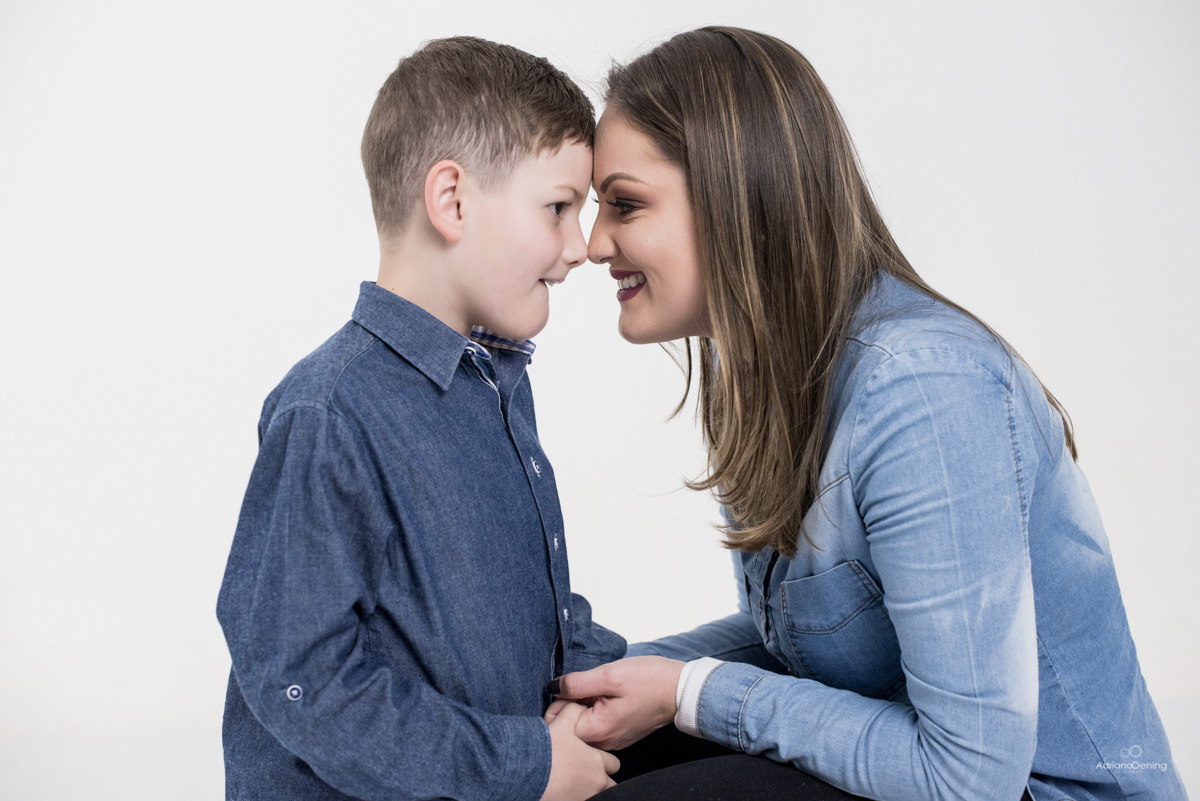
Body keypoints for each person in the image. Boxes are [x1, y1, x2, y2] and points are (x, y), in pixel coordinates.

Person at [548, 26, 1188, 801]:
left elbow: (968, 777)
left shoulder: (922, 392)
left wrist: (688, 691)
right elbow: (812, 649)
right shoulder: (760, 369)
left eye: (624, 204)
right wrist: (598, 680)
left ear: (738, 197)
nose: (592, 243)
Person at [216, 36, 626, 801]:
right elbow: (302, 681)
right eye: (559, 208)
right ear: (452, 201)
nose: (580, 247)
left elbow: (521, 612)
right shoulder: (329, 413)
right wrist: (526, 764)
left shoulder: (497, 382)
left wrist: (612, 688)